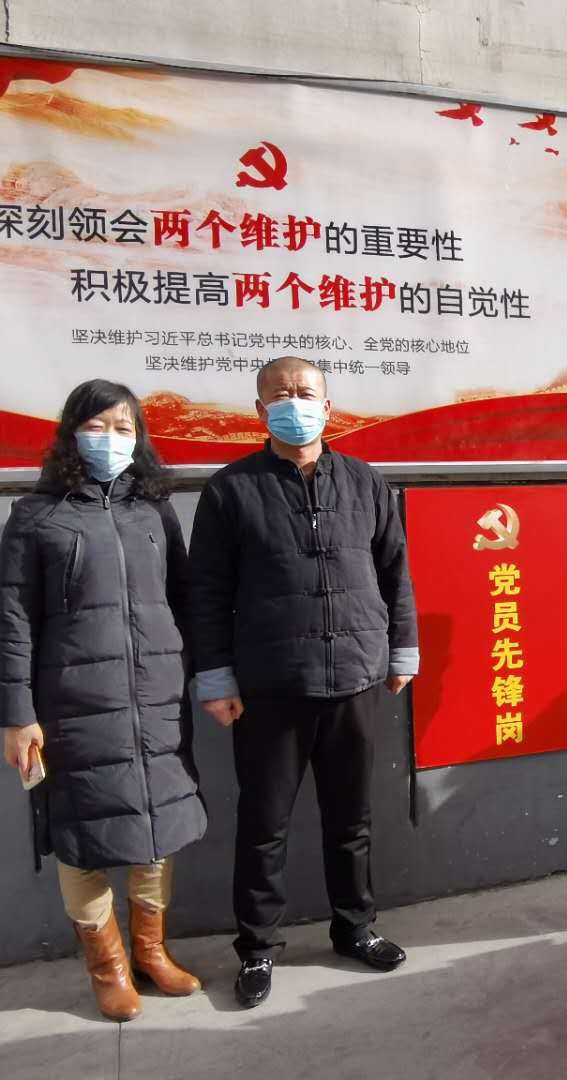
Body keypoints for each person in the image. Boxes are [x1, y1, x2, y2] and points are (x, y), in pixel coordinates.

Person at [189, 356, 419, 1009]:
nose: (296, 403)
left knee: (352, 819)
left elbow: (395, 572)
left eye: (306, 392)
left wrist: (401, 652)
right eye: (281, 394)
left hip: (355, 678)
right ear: (260, 410)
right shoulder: (231, 490)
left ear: (329, 404)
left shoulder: (365, 482)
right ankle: (257, 948)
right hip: (271, 686)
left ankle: (355, 928)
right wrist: (215, 677)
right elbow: (208, 593)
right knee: (264, 824)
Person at [0, 380, 206, 1022]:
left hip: (156, 696)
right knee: (79, 831)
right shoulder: (36, 516)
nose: (110, 439)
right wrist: (16, 715)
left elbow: (183, 598)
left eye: (123, 428)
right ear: (70, 433)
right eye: (96, 426)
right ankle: (108, 968)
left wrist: (201, 674)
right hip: (72, 703)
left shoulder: (154, 511)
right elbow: (11, 621)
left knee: (157, 823)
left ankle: (152, 951)